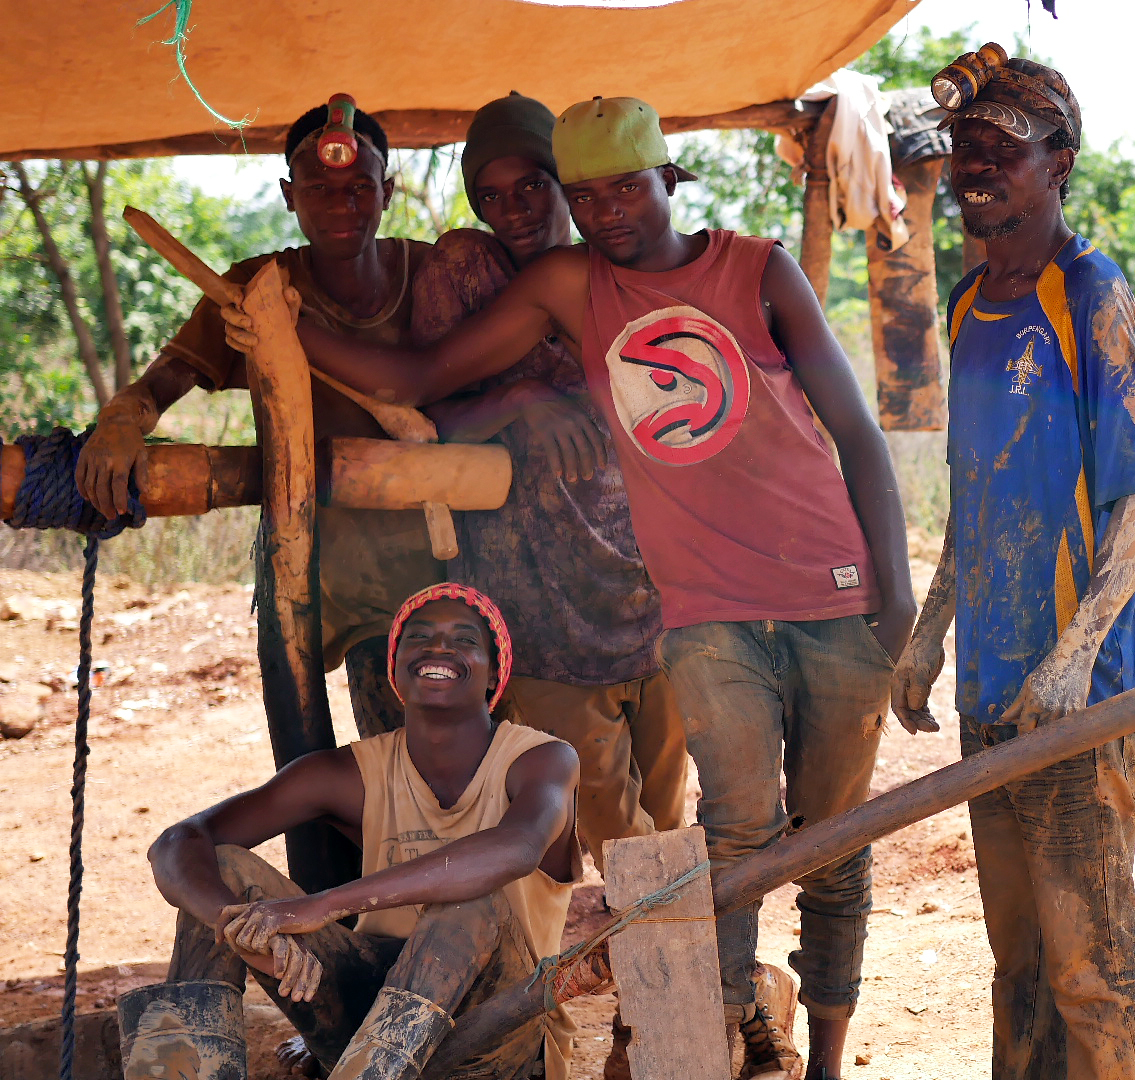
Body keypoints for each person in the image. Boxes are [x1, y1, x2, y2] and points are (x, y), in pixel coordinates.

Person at [223, 95, 916, 1080]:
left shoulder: (757, 268)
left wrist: (892, 599)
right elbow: (419, 371)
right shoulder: (554, 283)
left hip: (806, 591)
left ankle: (813, 1054)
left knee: (830, 839)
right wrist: (285, 330)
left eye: (618, 187)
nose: (603, 211)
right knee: (723, 838)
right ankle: (693, 1043)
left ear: (667, 178)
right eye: (583, 195)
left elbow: (853, 431)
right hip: (687, 613)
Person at [890, 50, 1135, 1080]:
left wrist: (1077, 653)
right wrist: (929, 637)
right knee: (1017, 961)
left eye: (1003, 150)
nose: (977, 167)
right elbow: (977, 500)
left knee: (1090, 963)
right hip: (992, 685)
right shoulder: (969, 305)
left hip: (1077, 694)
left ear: (1058, 163)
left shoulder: (1089, 292)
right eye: (966, 149)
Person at [75, 98, 438, 739]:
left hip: (441, 563)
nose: (341, 205)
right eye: (318, 189)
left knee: (438, 753)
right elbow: (162, 382)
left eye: (359, 188)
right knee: (323, 752)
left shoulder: (433, 273)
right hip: (309, 567)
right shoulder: (255, 289)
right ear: (288, 196)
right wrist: (122, 421)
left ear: (387, 190)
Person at [129, 583, 582, 1080]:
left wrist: (323, 904)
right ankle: (180, 1072)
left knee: (475, 899)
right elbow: (177, 843)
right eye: (420, 637)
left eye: (465, 639)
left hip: (497, 1031)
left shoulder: (541, 759)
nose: (439, 648)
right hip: (368, 1017)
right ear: (395, 667)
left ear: (495, 670)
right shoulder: (350, 773)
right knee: (224, 873)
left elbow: (515, 849)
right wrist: (240, 927)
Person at [410, 92, 689, 859]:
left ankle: (681, 972)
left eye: (532, 184)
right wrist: (519, 396)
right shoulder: (465, 270)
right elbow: (424, 419)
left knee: (669, 815)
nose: (515, 208)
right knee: (612, 826)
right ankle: (670, 964)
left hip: (652, 590)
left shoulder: (619, 266)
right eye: (490, 194)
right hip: (543, 611)